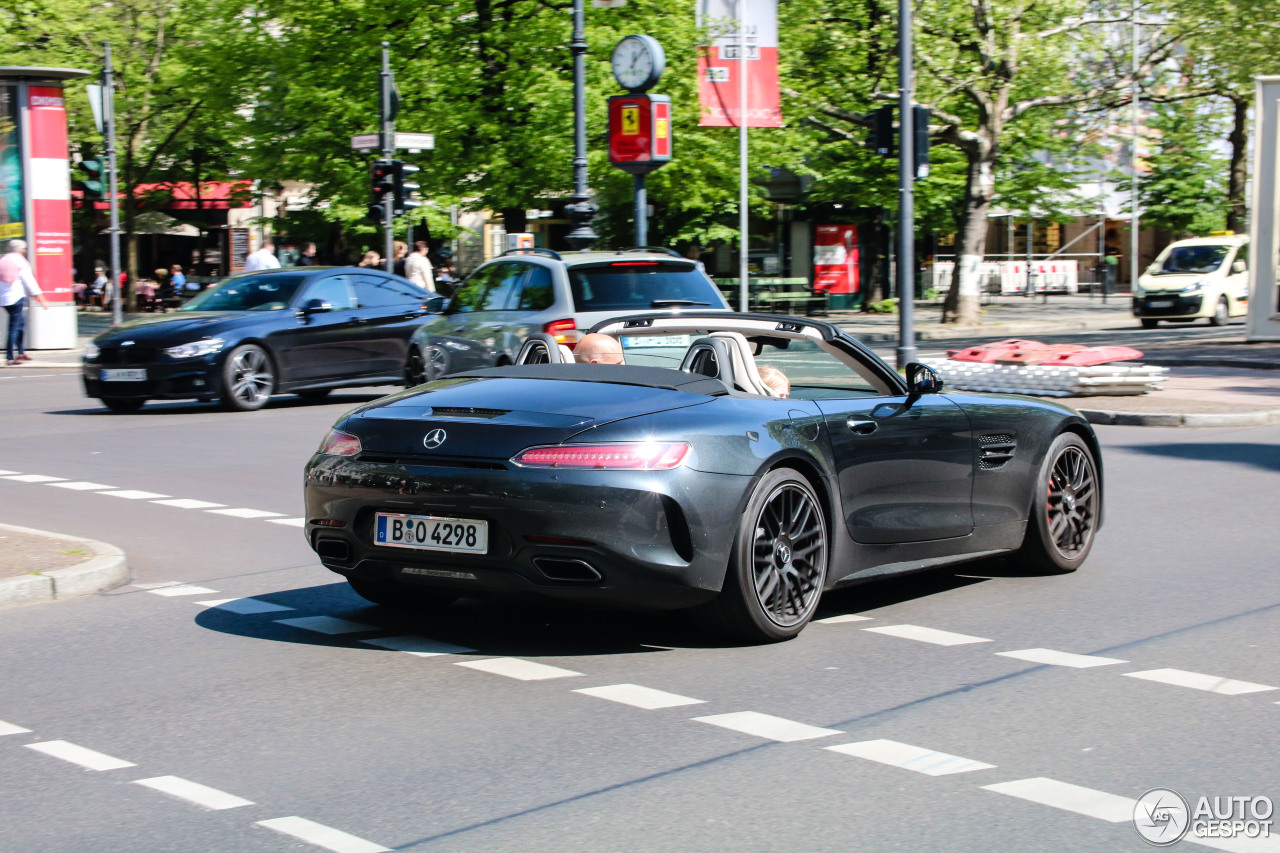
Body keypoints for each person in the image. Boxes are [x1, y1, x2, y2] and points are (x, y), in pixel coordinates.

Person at [0, 240, 50, 366]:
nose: (25, 251)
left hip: (4, 299)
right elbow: (30, 282)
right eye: (24, 249)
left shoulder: (3, 260)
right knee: (14, 328)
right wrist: (42, 299)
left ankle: (21, 351)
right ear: (20, 249)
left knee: (20, 324)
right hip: (16, 297)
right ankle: (10, 357)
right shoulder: (20, 262)